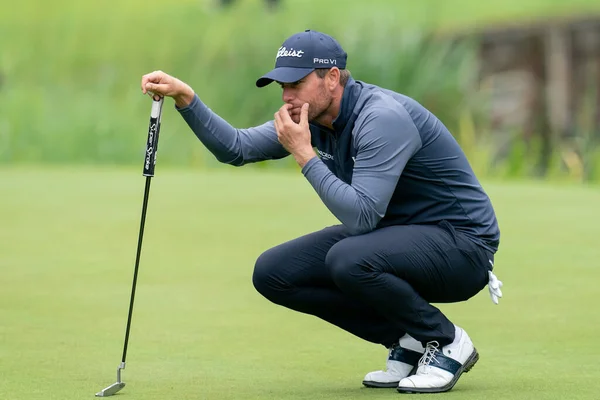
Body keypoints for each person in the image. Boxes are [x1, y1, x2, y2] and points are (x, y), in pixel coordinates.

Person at [140, 29, 504, 394]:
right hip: (393, 236)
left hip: (462, 246)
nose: (286, 96)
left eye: (296, 83)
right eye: (281, 85)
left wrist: (304, 154)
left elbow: (361, 216)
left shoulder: (381, 117)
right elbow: (236, 148)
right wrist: (187, 99)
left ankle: (447, 341)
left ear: (331, 78)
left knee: (347, 258)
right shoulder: (311, 116)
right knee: (274, 272)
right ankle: (407, 339)